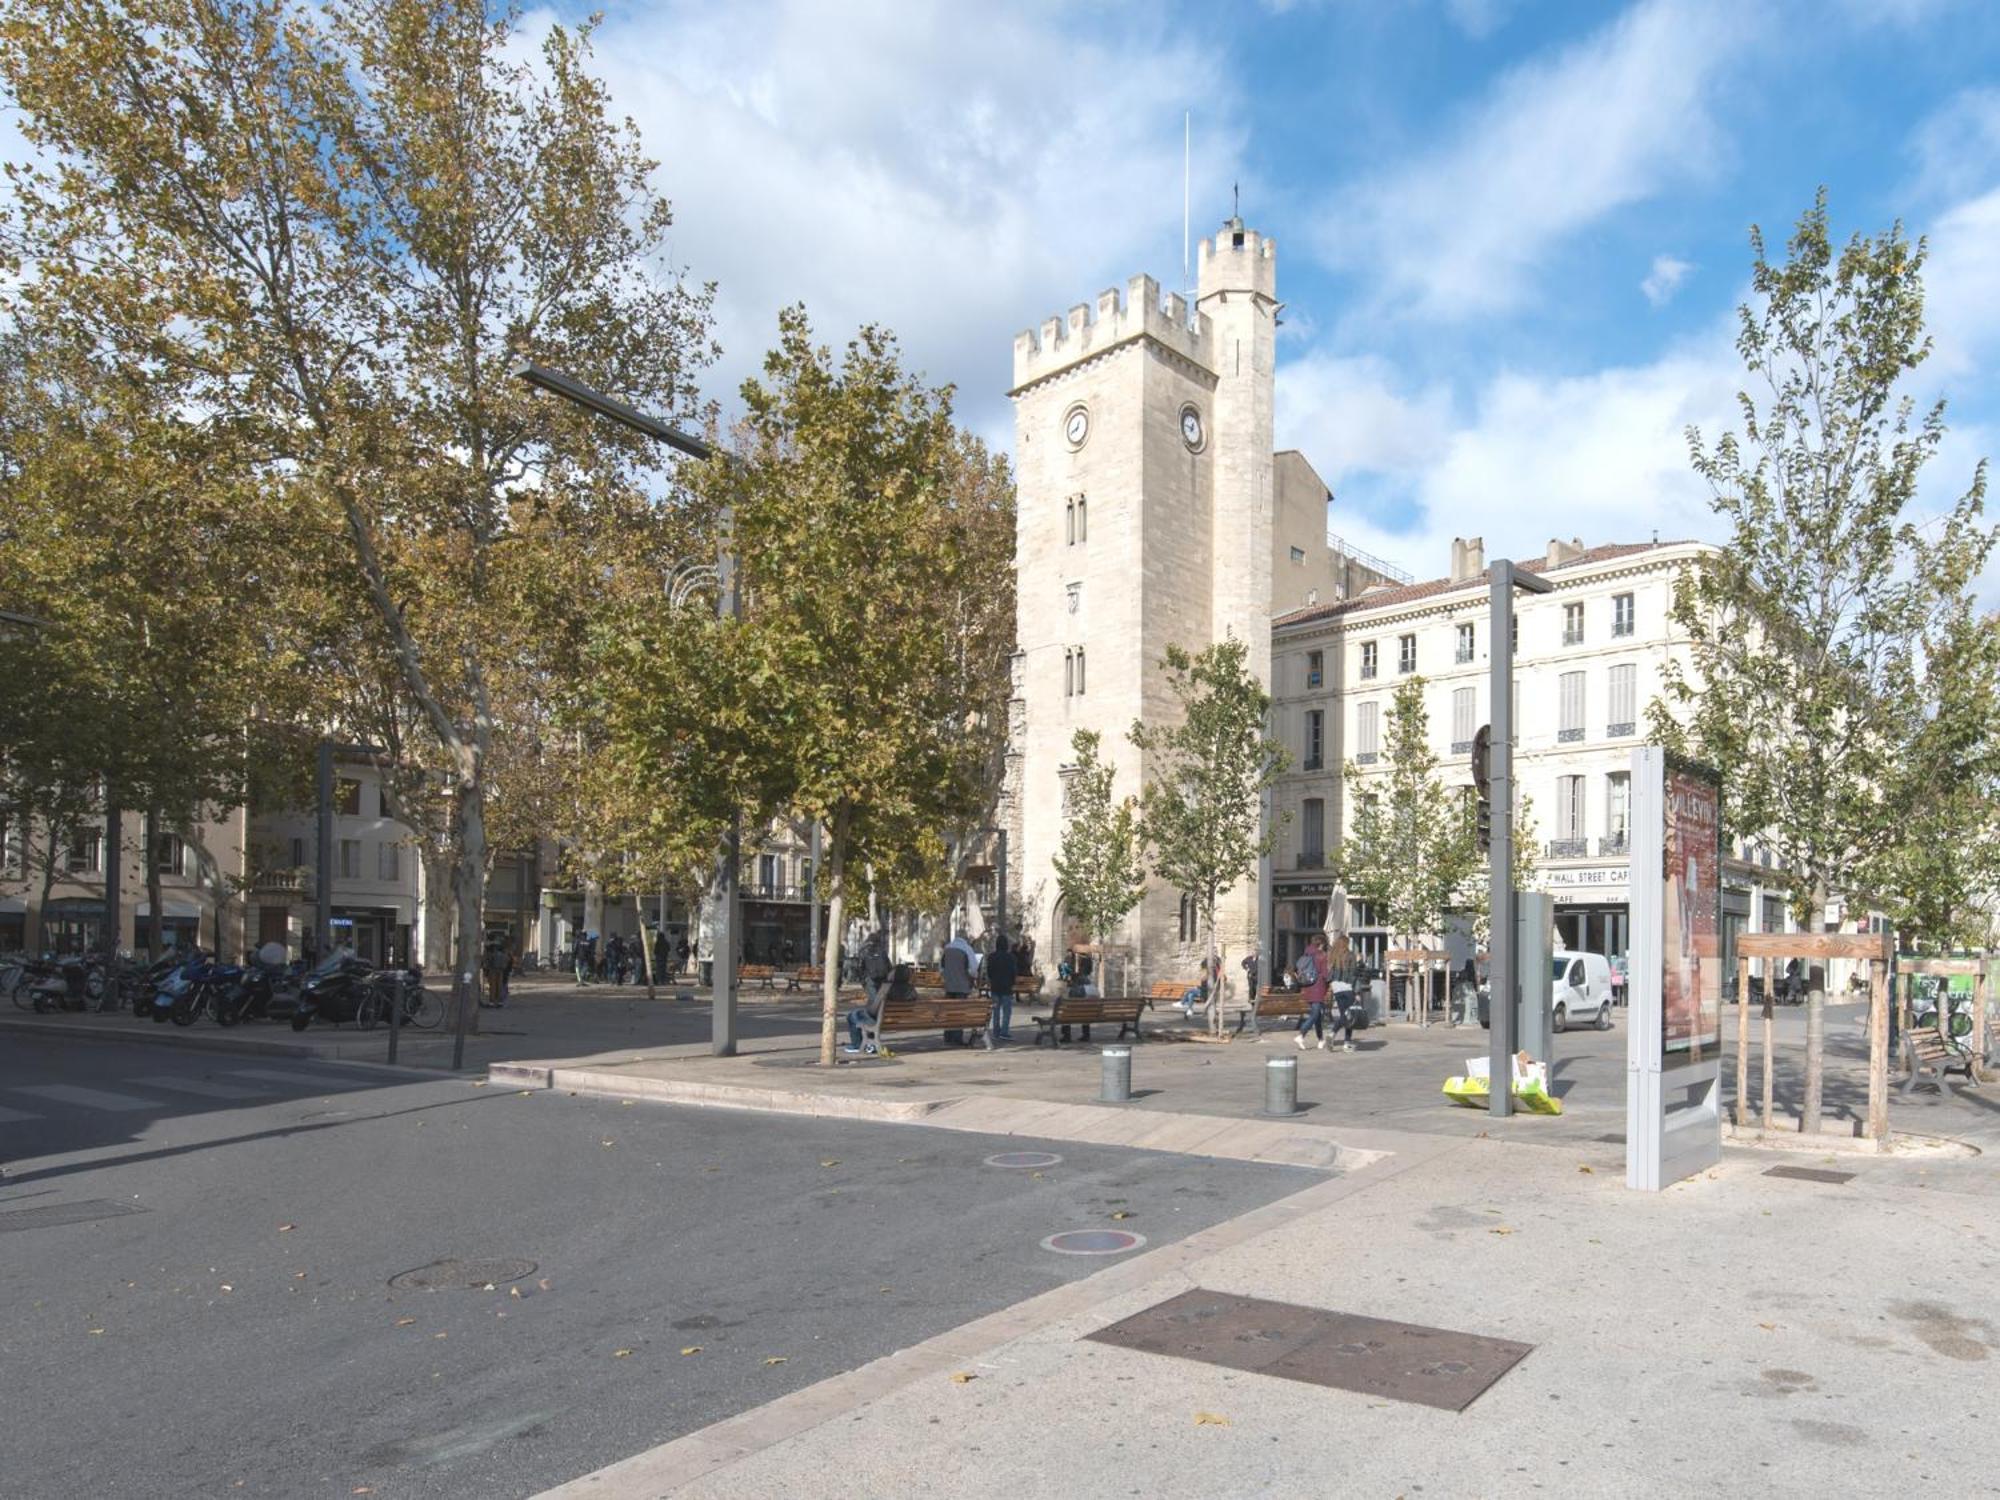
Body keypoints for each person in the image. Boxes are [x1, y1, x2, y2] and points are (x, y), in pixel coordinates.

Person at [845, 929, 893, 1055]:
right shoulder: (882, 952)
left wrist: (864, 981)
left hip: (871, 987)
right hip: (892, 1014)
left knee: (855, 1016)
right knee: (875, 1008)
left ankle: (860, 1044)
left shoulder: (864, 950)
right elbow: (889, 967)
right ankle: (868, 1043)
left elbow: (859, 968)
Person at [1294, 934, 1331, 1050]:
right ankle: (1301, 1034)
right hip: (1318, 988)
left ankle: (1321, 1039)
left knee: (1317, 1015)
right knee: (1315, 1014)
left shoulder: (1306, 954)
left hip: (1307, 988)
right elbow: (1326, 975)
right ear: (1322, 944)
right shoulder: (1322, 956)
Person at [985, 933, 1019, 1042]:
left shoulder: (991, 957)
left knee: (996, 1011)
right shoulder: (1011, 957)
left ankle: (996, 1031)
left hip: (995, 987)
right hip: (1007, 987)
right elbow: (1014, 972)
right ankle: (1004, 1031)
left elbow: (989, 972)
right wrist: (1012, 982)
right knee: (1006, 1011)